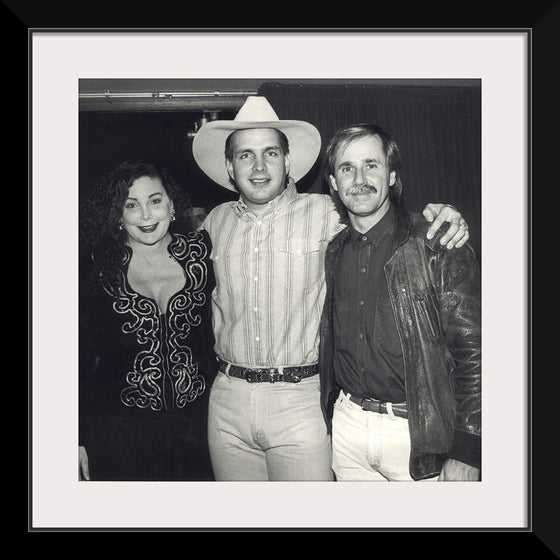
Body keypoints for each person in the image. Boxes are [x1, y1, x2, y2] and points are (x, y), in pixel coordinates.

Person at [191, 96, 470, 481]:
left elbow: (385, 217)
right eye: (245, 155)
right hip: (227, 400)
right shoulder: (213, 223)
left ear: (287, 162)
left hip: (300, 399)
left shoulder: (327, 211)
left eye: (271, 153)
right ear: (229, 166)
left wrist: (443, 215)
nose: (258, 167)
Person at [319, 123, 481, 481]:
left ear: (391, 175)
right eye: (347, 168)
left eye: (371, 165)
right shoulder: (333, 251)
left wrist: (469, 450)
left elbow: (476, 351)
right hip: (347, 430)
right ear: (333, 182)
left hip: (418, 433)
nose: (359, 178)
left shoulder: (436, 243)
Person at [78, 161, 217, 481]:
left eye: (155, 201)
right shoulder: (98, 269)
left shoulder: (202, 254)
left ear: (171, 205)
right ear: (118, 216)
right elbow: (78, 357)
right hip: (118, 433)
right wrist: (77, 437)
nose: (145, 215)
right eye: (131, 205)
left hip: (198, 429)